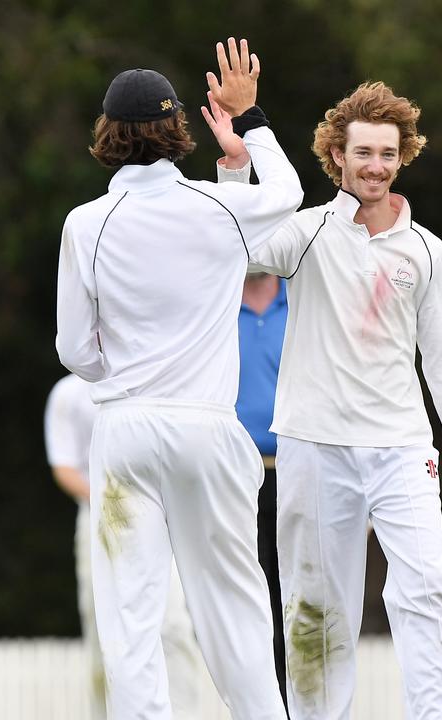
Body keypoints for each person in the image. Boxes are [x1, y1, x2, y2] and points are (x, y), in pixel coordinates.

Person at [216, 80, 442, 720]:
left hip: (402, 446)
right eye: (363, 152)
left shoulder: (426, 250)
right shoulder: (306, 232)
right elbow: (242, 243)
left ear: (404, 157)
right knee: (315, 603)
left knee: (424, 588)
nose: (375, 166)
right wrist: (235, 164)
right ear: (336, 154)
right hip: (312, 445)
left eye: (388, 154)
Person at [55, 38, 302, 720]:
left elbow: (75, 351)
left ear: (107, 135)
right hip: (210, 430)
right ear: (176, 131)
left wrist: (130, 372)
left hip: (127, 428)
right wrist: (248, 125)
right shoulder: (215, 207)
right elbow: (286, 194)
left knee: (131, 619)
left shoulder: (86, 224)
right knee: (233, 607)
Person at [44, 373, 218, 719]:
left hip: (161, 519)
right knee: (104, 632)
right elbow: (63, 467)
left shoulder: (150, 378)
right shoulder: (68, 393)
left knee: (174, 627)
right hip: (99, 521)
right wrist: (115, 501)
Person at [237, 271, 290, 706]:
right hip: (234, 476)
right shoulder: (213, 302)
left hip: (297, 470)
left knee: (300, 599)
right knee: (248, 602)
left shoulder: (306, 300)